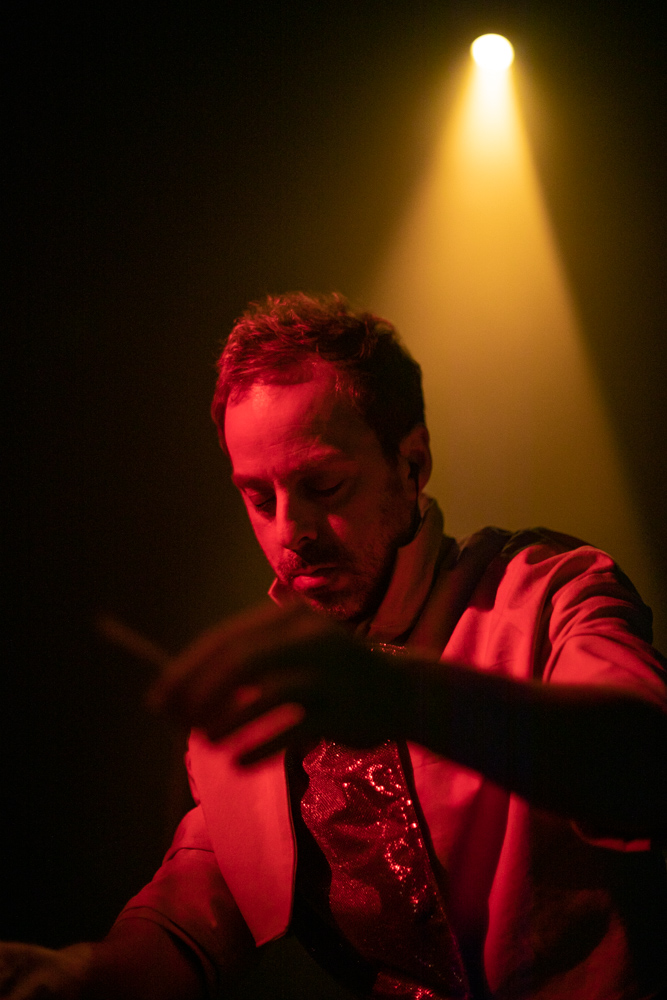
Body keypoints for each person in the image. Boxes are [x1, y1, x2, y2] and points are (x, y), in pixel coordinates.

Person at [2, 292, 667, 999]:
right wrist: (84, 972)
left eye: (323, 485)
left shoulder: (547, 590)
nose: (291, 531)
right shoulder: (270, 676)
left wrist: (396, 693)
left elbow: (645, 761)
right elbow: (196, 904)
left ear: (412, 463)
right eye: (259, 498)